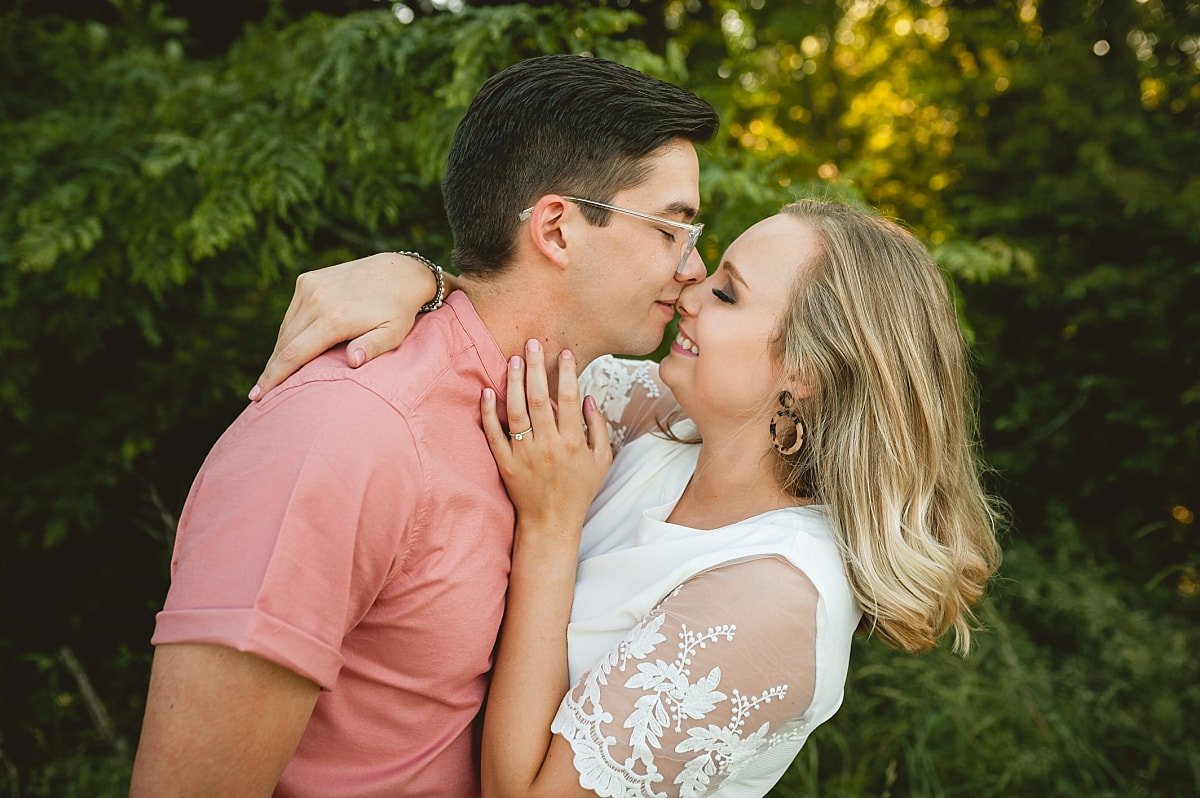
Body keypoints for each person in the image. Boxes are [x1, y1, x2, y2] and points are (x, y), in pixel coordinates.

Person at [252, 199, 1003, 797]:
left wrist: (551, 529)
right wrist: (414, 275)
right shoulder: (664, 427)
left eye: (729, 293)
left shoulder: (772, 598)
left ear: (805, 372)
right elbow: (517, 332)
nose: (690, 290)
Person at [129, 54, 719, 797]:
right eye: (672, 229)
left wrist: (421, 273)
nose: (694, 268)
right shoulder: (344, 435)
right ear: (559, 230)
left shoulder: (572, 414)